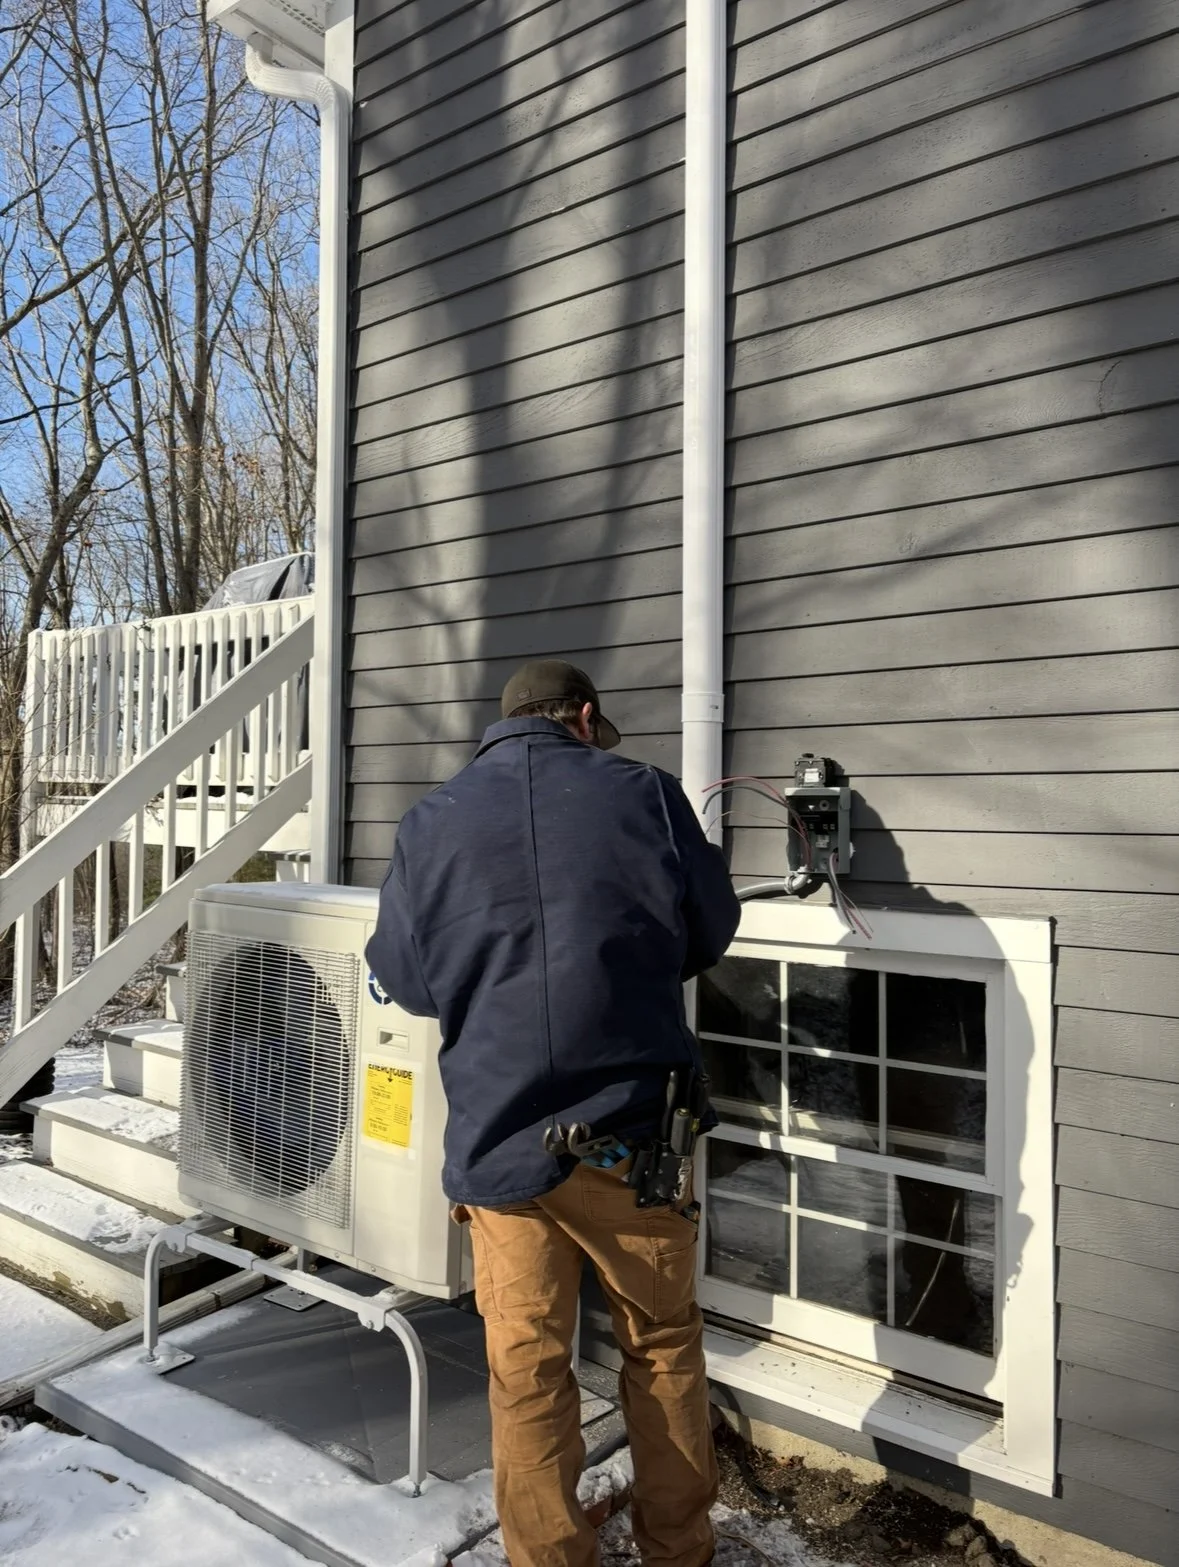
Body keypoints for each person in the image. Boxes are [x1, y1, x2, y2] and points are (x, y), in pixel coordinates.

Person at [366, 659, 741, 1567]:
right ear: (582, 717)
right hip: (632, 1141)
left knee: (525, 1371)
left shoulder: (429, 823)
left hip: (501, 1147)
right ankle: (678, 1551)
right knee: (659, 1350)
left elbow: (407, 982)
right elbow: (710, 929)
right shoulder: (644, 794)